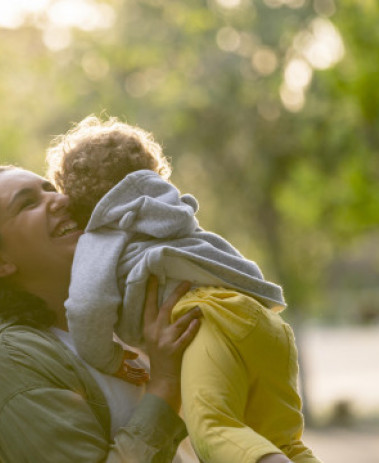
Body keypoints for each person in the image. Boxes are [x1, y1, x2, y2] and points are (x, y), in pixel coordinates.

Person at [46, 115, 320, 463]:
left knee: (214, 432)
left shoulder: (101, 235)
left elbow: (87, 305)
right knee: (281, 442)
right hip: (262, 322)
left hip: (206, 324)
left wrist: (110, 358)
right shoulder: (176, 211)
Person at [0, 164, 203, 462]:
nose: (61, 200)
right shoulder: (11, 363)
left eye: (50, 188)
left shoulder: (123, 313)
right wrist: (164, 383)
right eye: (27, 203)